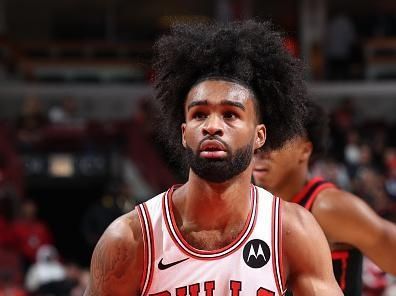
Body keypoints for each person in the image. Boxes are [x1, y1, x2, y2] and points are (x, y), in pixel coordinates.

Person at [84, 20, 342, 296]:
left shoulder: (290, 230)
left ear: (260, 136)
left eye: (230, 114)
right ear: (184, 133)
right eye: (199, 114)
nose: (212, 126)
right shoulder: (130, 238)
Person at [253, 100, 396, 295]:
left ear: (305, 150)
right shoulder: (252, 206)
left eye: (276, 141)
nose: (261, 152)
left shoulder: (328, 207)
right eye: (259, 139)